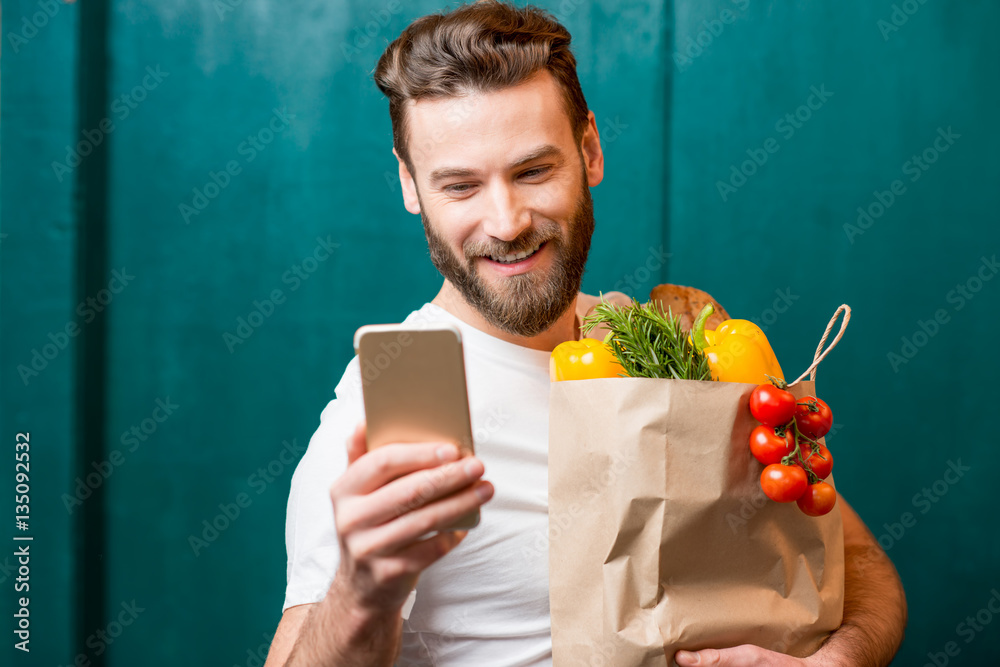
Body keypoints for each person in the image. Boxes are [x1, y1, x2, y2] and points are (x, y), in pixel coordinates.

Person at [264, 2, 907, 665]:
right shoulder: (396, 409)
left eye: (533, 171)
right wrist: (362, 589)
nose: (507, 220)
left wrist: (840, 658)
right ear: (410, 184)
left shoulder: (661, 341)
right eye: (460, 186)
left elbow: (855, 557)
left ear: (590, 151)